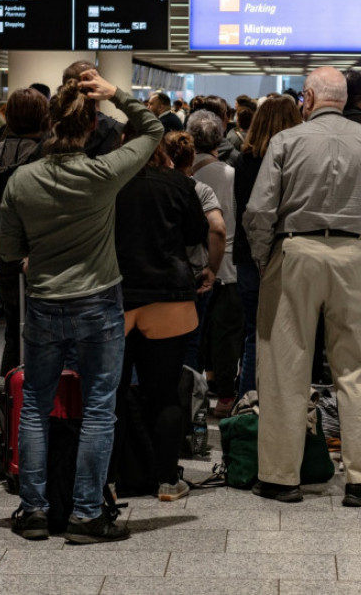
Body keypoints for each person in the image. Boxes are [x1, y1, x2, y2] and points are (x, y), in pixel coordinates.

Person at [0, 66, 162, 544]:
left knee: (34, 406)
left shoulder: (22, 181)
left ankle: (33, 511)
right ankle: (87, 515)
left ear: (51, 124)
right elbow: (154, 129)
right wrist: (115, 94)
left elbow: (9, 252)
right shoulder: (104, 173)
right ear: (92, 126)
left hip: (45, 304)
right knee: (97, 408)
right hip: (98, 303)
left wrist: (34, 253)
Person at [244, 66, 361, 507]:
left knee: (284, 366)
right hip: (357, 255)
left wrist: (267, 259)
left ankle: (281, 478)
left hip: (295, 252)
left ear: (310, 98)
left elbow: (259, 211)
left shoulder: (286, 141)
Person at [113, 138, 208, 501]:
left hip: (117, 294)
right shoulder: (180, 184)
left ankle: (108, 479)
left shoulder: (109, 181)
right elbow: (196, 234)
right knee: (165, 393)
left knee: (110, 396)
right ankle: (168, 481)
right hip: (169, 296)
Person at [233, 95, 301, 397]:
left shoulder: (242, 161)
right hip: (284, 255)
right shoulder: (294, 162)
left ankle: (247, 403)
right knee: (290, 335)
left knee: (254, 334)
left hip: (247, 256)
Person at [0, 87, 48, 376]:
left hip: (6, 245)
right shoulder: (45, 154)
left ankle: (9, 393)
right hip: (42, 249)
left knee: (13, 328)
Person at [187, 109, 242, 419]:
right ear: (220, 140)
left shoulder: (186, 177)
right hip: (229, 265)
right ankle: (225, 394)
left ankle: (195, 387)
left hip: (195, 264)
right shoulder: (232, 175)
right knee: (227, 334)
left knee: (196, 333)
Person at [165, 130, 226, 376]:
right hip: (194, 276)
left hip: (161, 276)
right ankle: (188, 403)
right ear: (191, 160)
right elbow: (218, 229)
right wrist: (212, 268)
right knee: (190, 341)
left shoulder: (157, 188)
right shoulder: (201, 190)